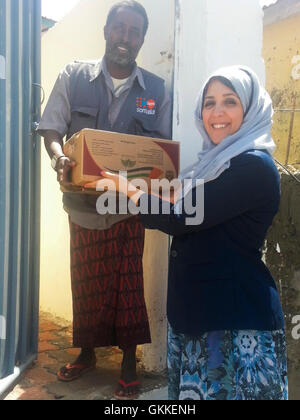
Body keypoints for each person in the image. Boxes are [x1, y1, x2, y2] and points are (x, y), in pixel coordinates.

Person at [92, 65, 288, 400]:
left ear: (250, 108)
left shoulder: (253, 166)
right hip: (198, 315)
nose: (217, 112)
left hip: (232, 322)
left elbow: (182, 216)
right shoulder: (212, 164)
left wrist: (127, 189)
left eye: (230, 101)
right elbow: (186, 200)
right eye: (209, 103)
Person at [38, 1, 172, 400]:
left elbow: (162, 151)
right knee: (87, 281)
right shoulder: (73, 76)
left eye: (134, 32)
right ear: (106, 31)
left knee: (128, 284)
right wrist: (60, 157)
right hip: (82, 207)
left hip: (128, 209)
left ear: (142, 40)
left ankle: (129, 363)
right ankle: (87, 352)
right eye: (120, 28)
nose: (125, 37)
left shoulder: (157, 91)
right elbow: (51, 127)